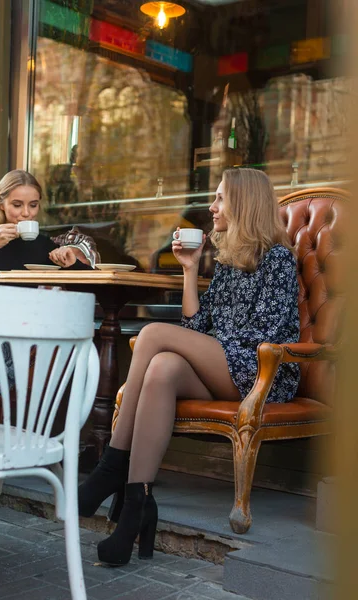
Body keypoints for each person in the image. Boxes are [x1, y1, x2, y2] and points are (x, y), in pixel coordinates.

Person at [78, 168, 301, 567]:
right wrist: (190, 269)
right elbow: (196, 326)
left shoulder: (279, 260)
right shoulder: (230, 260)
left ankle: (112, 465)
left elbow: (264, 337)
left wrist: (209, 348)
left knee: (151, 337)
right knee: (162, 367)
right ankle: (137, 506)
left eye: (219, 199)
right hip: (226, 366)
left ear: (244, 204)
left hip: (262, 373)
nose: (211, 207)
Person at [0, 169, 91, 285]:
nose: (26, 213)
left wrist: (73, 263)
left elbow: (96, 288)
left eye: (33, 205)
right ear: (1, 204)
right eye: (17, 205)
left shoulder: (43, 244)